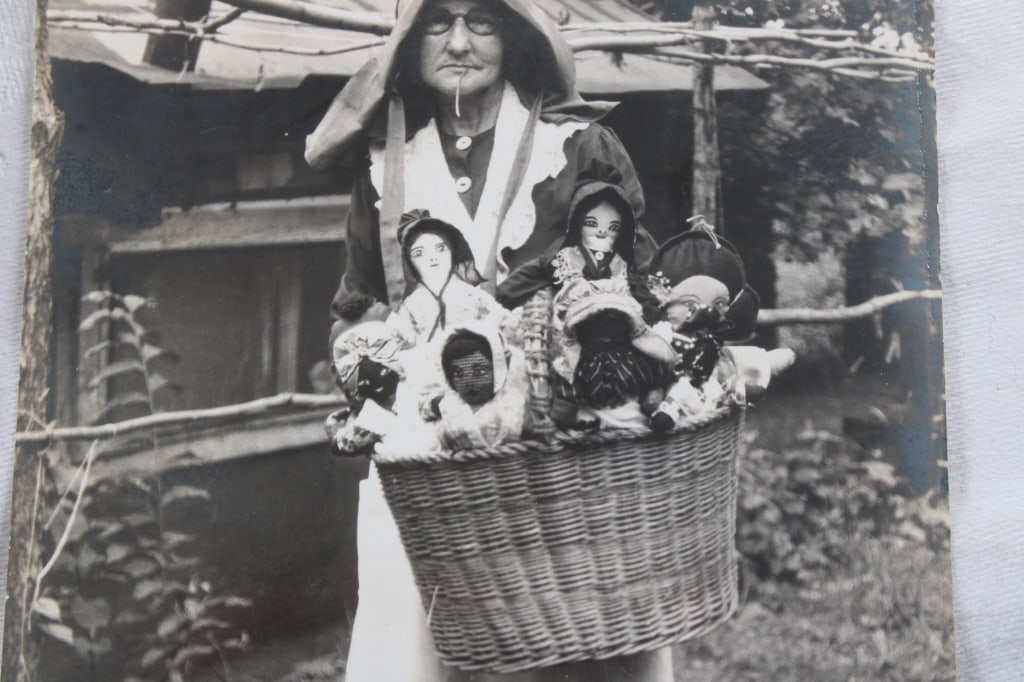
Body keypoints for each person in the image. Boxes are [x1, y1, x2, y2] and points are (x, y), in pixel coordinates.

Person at [306, 0, 671, 679]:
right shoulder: (387, 163)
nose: (459, 41)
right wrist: (383, 390)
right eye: (439, 20)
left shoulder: (577, 148)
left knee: (577, 653)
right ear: (411, 42)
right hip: (433, 480)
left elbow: (638, 287)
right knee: (427, 654)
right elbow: (357, 310)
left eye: (483, 20)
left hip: (564, 464)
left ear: (517, 38)